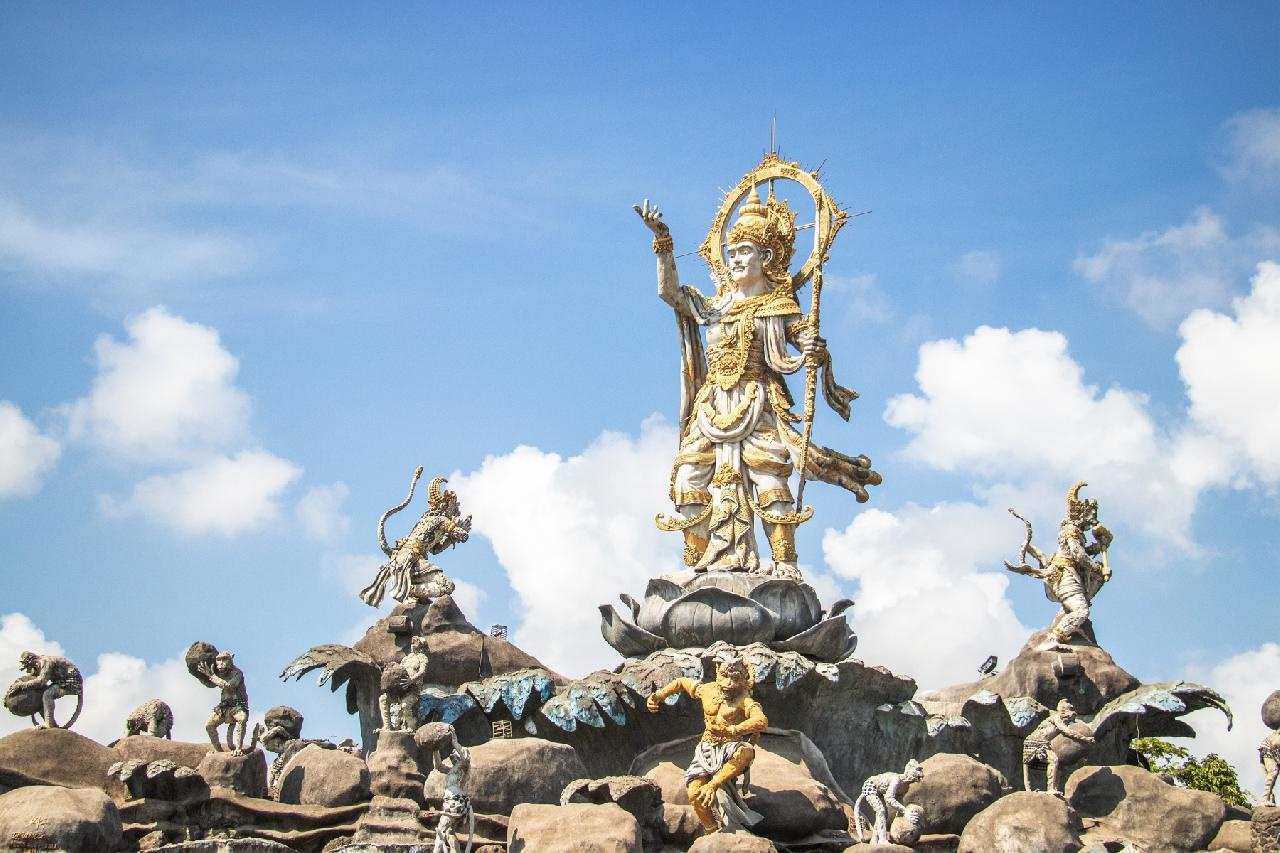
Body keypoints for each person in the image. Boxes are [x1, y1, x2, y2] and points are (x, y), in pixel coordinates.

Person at [636, 190, 878, 576]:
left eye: (744, 251)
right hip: (711, 405)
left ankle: (785, 563)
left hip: (756, 401)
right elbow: (670, 292)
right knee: (687, 477)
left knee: (769, 478)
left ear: (765, 257)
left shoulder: (777, 307)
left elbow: (805, 341)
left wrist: (814, 349)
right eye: (731, 252)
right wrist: (663, 241)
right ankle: (697, 564)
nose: (734, 259)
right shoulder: (713, 307)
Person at [647, 657, 767, 832]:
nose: (729, 683)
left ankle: (714, 784)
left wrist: (734, 729)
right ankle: (712, 830)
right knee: (694, 794)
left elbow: (761, 720)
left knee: (746, 752)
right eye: (725, 676)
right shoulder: (707, 689)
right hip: (707, 747)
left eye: (735, 679)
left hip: (730, 746)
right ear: (718, 672)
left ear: (742, 680)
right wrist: (659, 695)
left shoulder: (744, 699)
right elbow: (681, 683)